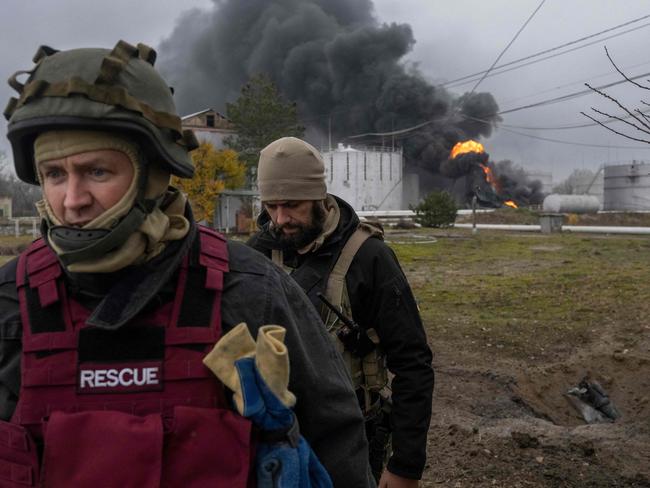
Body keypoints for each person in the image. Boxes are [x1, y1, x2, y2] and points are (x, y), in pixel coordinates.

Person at [0, 41, 374, 487]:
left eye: (97, 171)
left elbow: (336, 441)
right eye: (55, 175)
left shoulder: (250, 292)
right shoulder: (9, 306)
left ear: (153, 173)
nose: (73, 200)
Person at [247, 137, 434, 488]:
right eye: (271, 206)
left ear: (319, 196)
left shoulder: (369, 258)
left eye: (292, 205)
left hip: (352, 441)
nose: (280, 219)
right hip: (275, 440)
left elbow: (413, 363)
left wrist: (406, 464)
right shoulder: (256, 255)